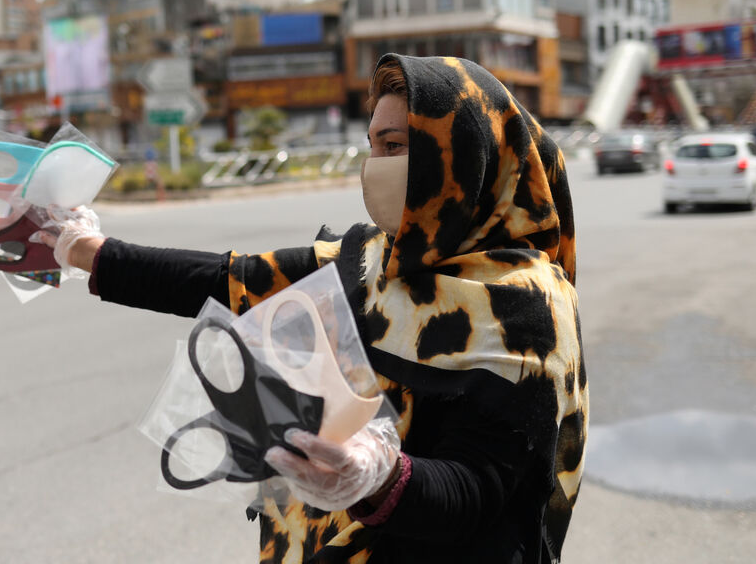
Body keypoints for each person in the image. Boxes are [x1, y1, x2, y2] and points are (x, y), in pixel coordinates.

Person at [41, 54, 588, 563]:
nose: (377, 165)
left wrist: (381, 477)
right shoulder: (365, 259)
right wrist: (87, 251)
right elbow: (228, 279)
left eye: (396, 146)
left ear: (466, 156)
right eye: (372, 146)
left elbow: (482, 489)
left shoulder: (527, 310)